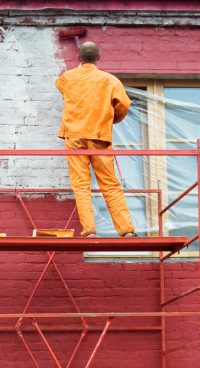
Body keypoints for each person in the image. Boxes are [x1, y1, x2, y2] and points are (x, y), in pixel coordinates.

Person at [56, 41, 136, 238]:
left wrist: (79, 68)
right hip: (100, 135)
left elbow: (60, 85)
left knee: (81, 184)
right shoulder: (110, 80)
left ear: (79, 58)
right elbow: (124, 104)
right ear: (99, 58)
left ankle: (89, 230)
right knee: (109, 183)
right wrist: (112, 119)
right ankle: (125, 230)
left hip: (74, 136)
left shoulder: (67, 78)